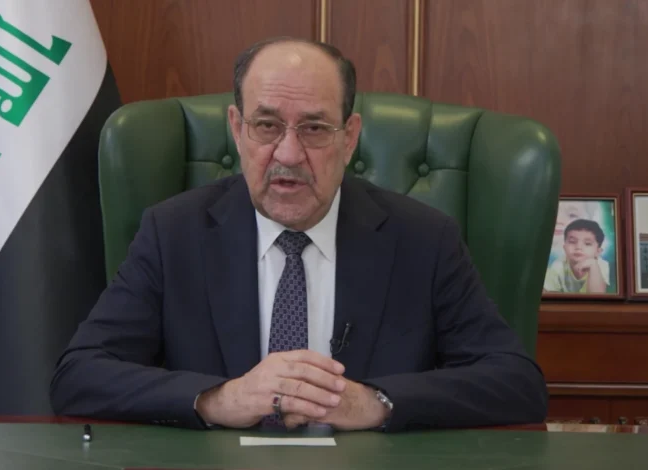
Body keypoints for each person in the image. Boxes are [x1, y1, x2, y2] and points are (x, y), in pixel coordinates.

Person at [49, 37, 548, 432]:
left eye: (314, 129)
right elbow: (79, 375)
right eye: (267, 126)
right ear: (237, 129)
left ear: (349, 138)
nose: (288, 154)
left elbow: (516, 383)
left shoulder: (424, 239)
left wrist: (376, 402)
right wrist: (218, 399)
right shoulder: (173, 233)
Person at [544, 219, 610, 294]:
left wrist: (593, 266)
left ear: (598, 252)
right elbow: (548, 294)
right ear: (564, 248)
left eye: (587, 243)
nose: (578, 247)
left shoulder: (601, 265)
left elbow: (598, 296)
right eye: (572, 242)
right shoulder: (558, 266)